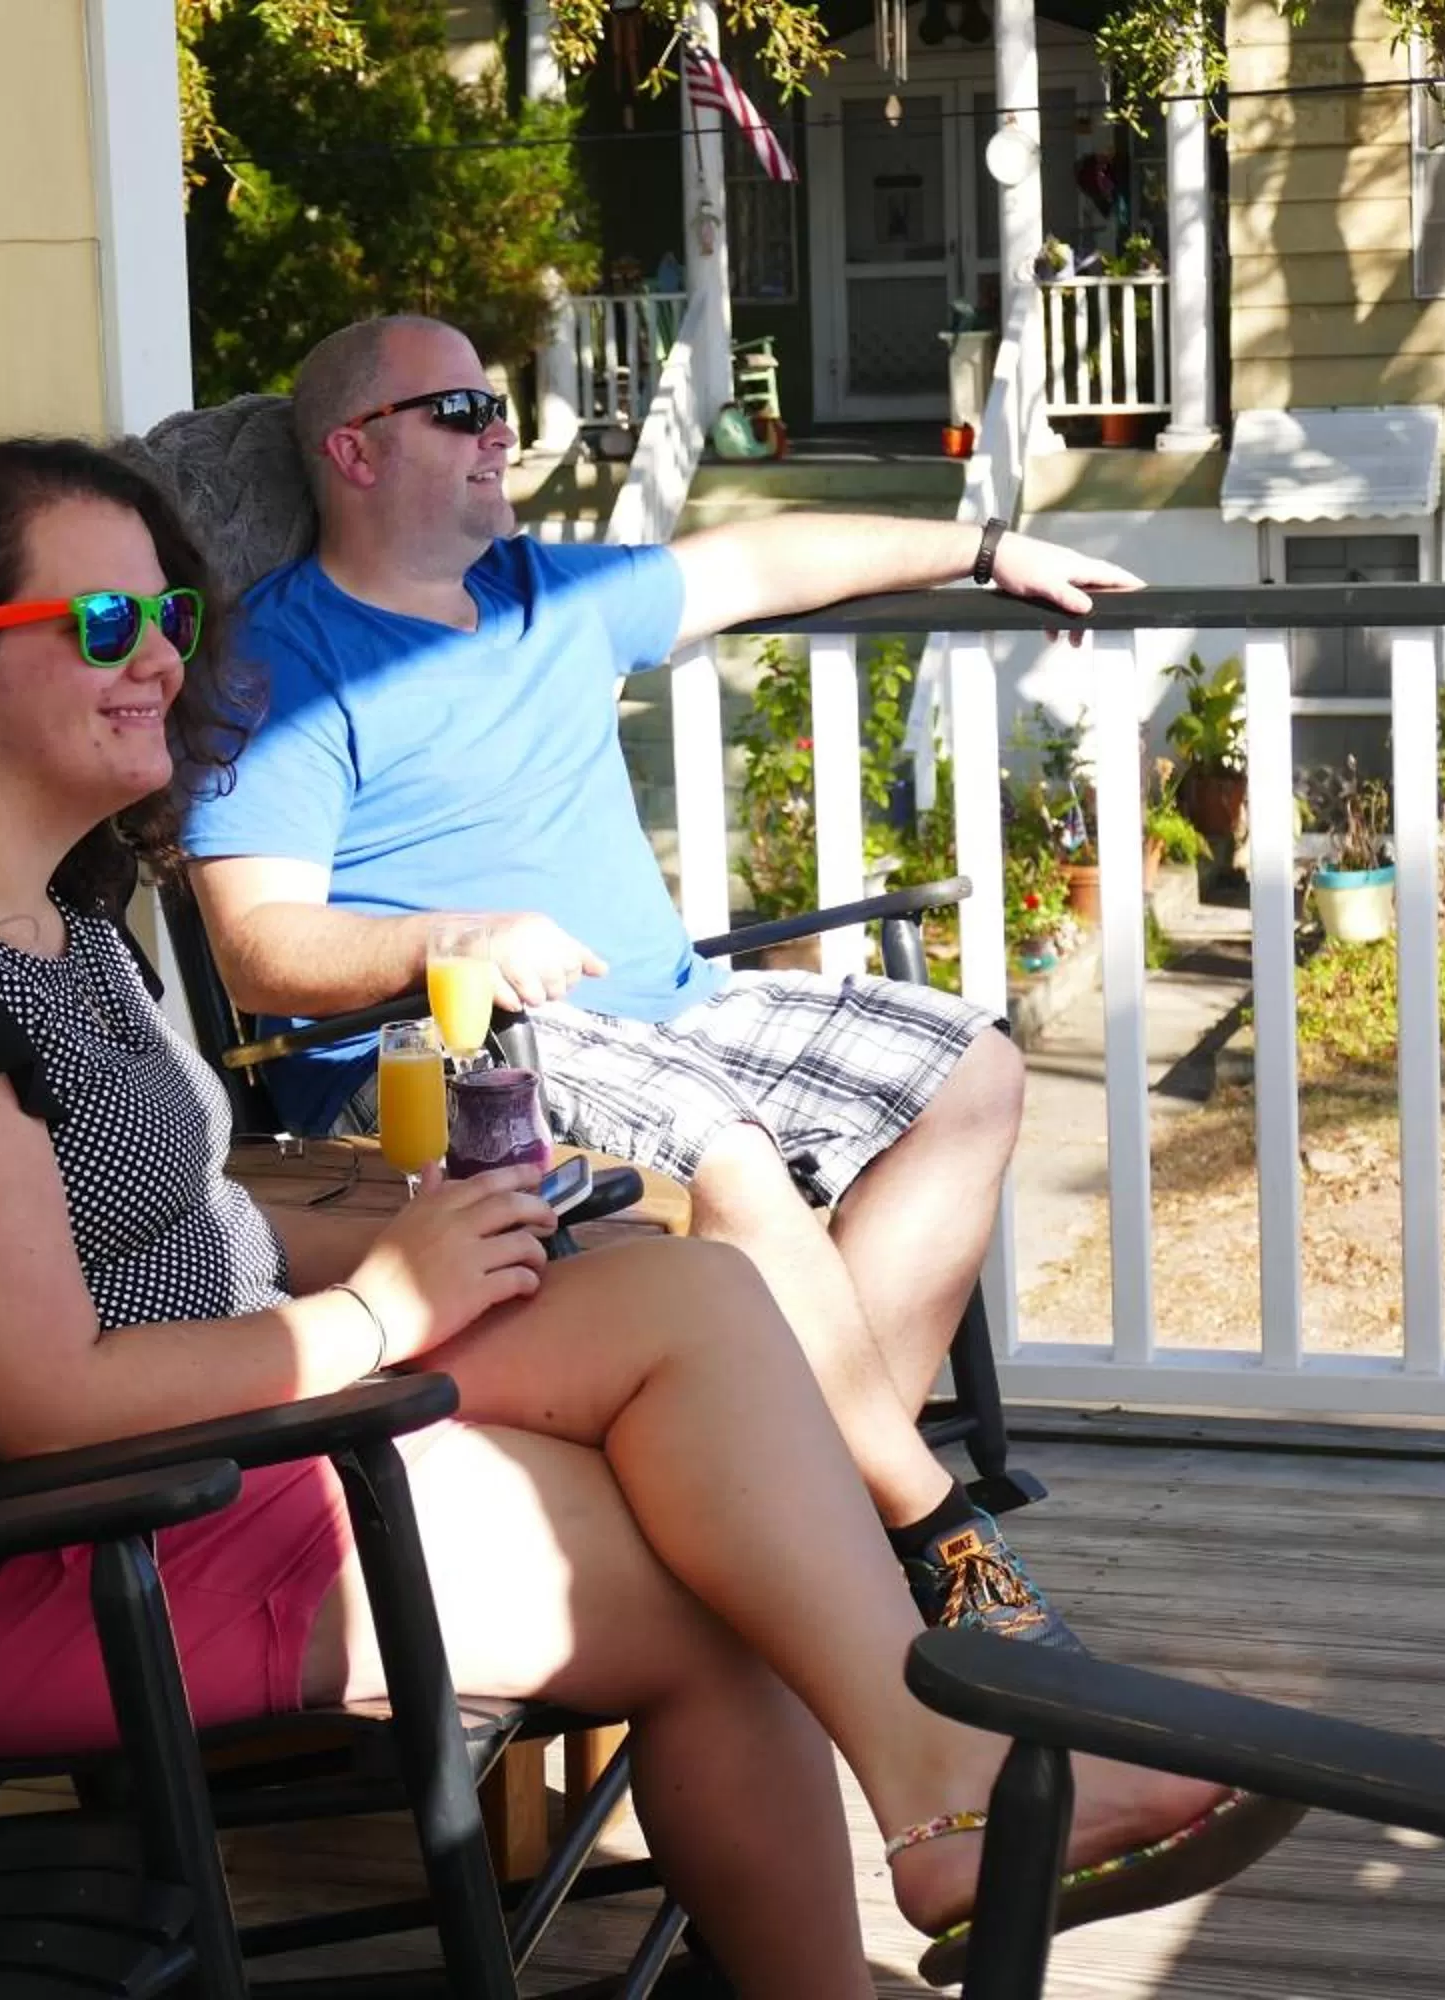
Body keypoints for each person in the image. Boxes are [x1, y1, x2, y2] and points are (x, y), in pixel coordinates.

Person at [0, 436, 1294, 1995]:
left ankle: (936, 1783)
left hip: (199, 1465)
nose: (160, 656)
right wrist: (386, 1304)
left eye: (171, 614)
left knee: (685, 1297)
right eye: (103, 622)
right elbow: (38, 1401)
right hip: (43, 1566)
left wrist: (442, 1234)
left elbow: (162, 1227)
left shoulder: (56, 928)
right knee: (707, 1598)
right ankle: (942, 1801)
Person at [181, 315, 1136, 1645]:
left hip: (671, 1006)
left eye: (498, 404)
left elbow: (760, 558)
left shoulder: (543, 590)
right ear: (354, 448)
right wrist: (444, 939)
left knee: (970, 1070)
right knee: (727, 1149)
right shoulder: (281, 663)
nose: (500, 431)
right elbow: (255, 940)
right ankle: (924, 1527)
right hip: (464, 1044)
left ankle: (803, 1515)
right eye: (459, 412)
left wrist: (988, 548)